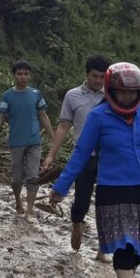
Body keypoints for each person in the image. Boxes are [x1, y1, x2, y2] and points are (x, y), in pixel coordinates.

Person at [49, 62, 140, 278]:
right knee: (125, 245)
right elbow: (81, 154)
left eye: (133, 92)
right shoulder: (98, 117)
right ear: (110, 91)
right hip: (114, 191)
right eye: (122, 92)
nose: (127, 96)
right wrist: (61, 186)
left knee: (138, 246)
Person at [42, 54, 112, 262]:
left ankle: (103, 248)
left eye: (102, 77)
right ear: (86, 74)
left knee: (106, 202)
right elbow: (64, 126)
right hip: (83, 157)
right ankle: (76, 223)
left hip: (107, 157)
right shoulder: (73, 96)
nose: (98, 81)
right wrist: (51, 154)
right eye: (94, 76)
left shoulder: (113, 96)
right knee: (81, 201)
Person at [0, 60, 56, 220]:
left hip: (34, 141)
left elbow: (43, 116)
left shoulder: (36, 94)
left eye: (26, 74)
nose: (23, 77)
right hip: (16, 141)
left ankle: (29, 210)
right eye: (19, 74)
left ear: (29, 75)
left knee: (33, 176)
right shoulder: (7, 96)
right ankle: (18, 200)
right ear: (14, 75)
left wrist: (54, 138)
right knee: (17, 179)